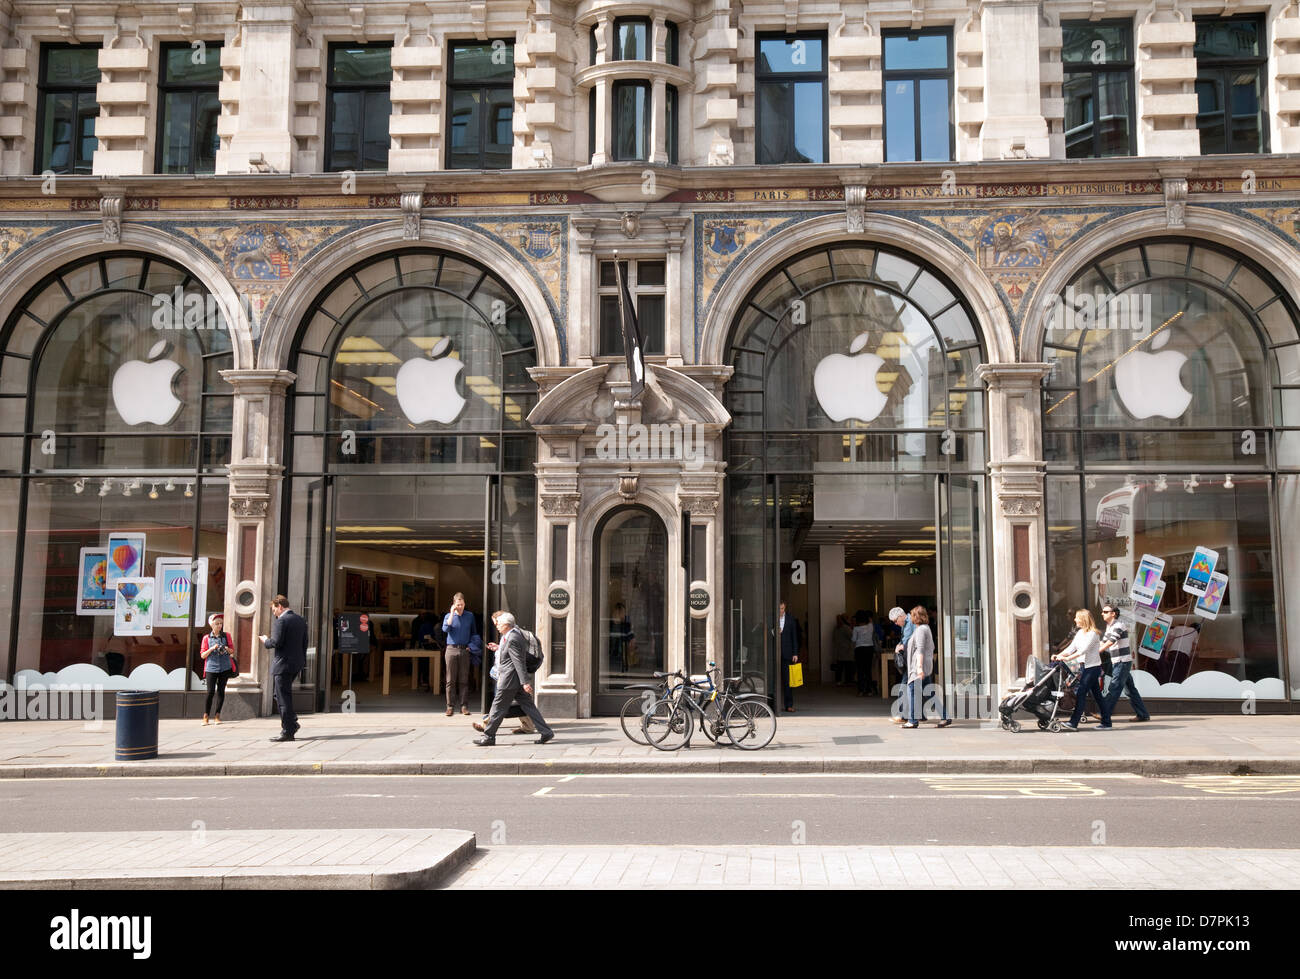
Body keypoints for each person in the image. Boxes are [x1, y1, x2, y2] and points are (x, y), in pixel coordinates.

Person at [473, 611, 554, 746]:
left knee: (498, 707)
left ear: (506, 624)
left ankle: (489, 736)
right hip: (513, 680)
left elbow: (518, 661)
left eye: (499, 623)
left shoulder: (513, 638)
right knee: (528, 706)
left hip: (509, 680)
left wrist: (525, 682)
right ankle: (546, 732)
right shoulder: (510, 636)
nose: (497, 626)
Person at [1053, 608, 1112, 731]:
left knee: (1081, 693)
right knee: (1098, 696)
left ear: (1083, 619)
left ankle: (1073, 722)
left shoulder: (1093, 634)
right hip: (1084, 667)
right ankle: (1106, 722)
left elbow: (1082, 651)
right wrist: (1059, 655)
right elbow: (1071, 647)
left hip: (1092, 668)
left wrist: (1067, 658)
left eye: (1077, 617)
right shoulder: (1080, 633)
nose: (1075, 619)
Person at [261, 594, 308, 742]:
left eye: (274, 609)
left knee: (283, 697)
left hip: (283, 664)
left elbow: (276, 642)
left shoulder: (281, 621)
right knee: (279, 694)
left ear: (280, 607)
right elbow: (304, 643)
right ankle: (292, 722)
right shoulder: (300, 620)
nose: (274, 613)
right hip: (297, 663)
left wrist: (265, 641)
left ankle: (288, 730)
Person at [1099, 604, 1151, 723]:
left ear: (1113, 613)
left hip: (1122, 662)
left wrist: (1098, 651)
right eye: (1103, 611)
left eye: (1105, 611)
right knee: (1130, 690)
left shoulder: (1119, 625)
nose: (1102, 613)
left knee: (1114, 687)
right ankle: (1143, 714)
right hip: (1119, 661)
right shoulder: (1109, 626)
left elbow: (1111, 642)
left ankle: (1104, 714)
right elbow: (1103, 642)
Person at [903, 606, 951, 728]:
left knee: (912, 691)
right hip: (925, 666)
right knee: (929, 693)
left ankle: (912, 720)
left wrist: (919, 667)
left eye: (912, 615)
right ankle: (945, 717)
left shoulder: (920, 630)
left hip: (919, 667)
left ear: (915, 617)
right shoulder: (925, 628)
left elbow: (920, 649)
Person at [442, 593, 476, 717]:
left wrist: (471, 645)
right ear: (454, 605)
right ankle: (450, 706)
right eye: (458, 605)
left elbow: (474, 632)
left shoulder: (470, 616)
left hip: (464, 650)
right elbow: (445, 629)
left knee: (464, 679)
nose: (460, 607)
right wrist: (452, 613)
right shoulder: (448, 616)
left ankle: (464, 706)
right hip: (451, 649)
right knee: (450, 680)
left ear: (464, 604)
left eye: (462, 604)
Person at [200, 612, 235, 726]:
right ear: (211, 625)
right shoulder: (206, 638)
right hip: (211, 667)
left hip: (224, 667)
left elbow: (232, 651)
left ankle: (217, 716)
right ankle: (206, 716)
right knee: (210, 692)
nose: (219, 626)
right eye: (217, 623)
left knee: (221, 691)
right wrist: (212, 648)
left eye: (221, 623)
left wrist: (225, 647)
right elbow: (203, 655)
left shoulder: (226, 636)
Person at [888, 606, 911, 722]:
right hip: (914, 660)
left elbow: (906, 643)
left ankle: (902, 714)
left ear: (901, 616)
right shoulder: (906, 623)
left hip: (913, 660)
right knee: (920, 687)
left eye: (895, 621)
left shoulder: (909, 623)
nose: (896, 624)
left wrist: (899, 648)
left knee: (904, 686)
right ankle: (920, 715)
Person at [777, 600, 800, 713]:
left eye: (782, 608)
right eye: (779, 609)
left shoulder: (791, 619)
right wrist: (774, 632)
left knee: (787, 681)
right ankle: (772, 705)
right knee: (774, 681)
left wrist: (795, 653)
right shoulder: (772, 618)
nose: (780, 611)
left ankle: (789, 705)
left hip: (787, 654)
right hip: (774, 655)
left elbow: (794, 637)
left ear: (784, 608)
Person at [852, 610, 877, 697]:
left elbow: (854, 640)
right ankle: (869, 690)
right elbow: (870, 620)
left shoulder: (856, 629)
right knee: (868, 670)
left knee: (860, 670)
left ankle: (861, 690)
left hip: (859, 649)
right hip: (869, 649)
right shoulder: (870, 626)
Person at [830, 613, 854, 686]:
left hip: (839, 651)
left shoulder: (836, 628)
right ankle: (848, 681)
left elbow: (833, 639)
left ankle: (839, 681)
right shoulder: (846, 628)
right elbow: (853, 637)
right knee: (848, 667)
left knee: (839, 667)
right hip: (847, 651)